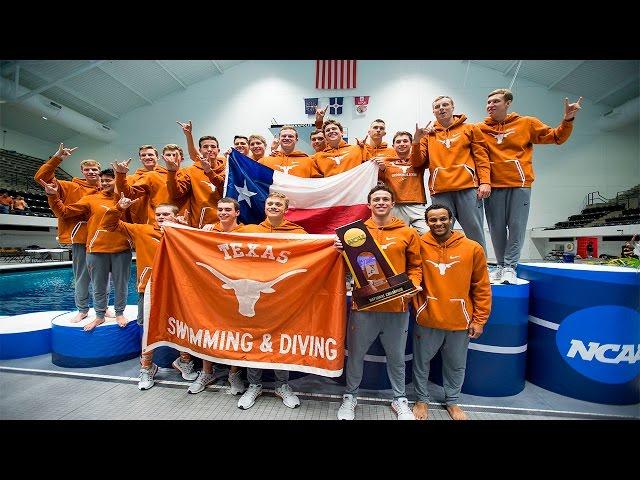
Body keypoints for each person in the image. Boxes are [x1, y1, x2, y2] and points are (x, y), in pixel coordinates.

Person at [335, 185, 422, 420]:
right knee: (355, 355)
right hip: (364, 306)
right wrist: (339, 252)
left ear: (393, 204)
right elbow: (345, 268)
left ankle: (399, 399)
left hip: (397, 306)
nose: (381, 202)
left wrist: (412, 286)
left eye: (385, 199)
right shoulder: (355, 233)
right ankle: (350, 396)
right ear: (369, 204)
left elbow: (416, 266)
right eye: (377, 199)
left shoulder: (408, 233)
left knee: (396, 356)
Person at [479, 88, 583, 284]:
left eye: (495, 101)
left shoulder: (526, 123)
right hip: (492, 187)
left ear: (508, 103)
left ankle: (510, 266)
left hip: (519, 184)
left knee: (516, 227)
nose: (490, 105)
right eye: (488, 102)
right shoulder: (481, 129)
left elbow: (556, 137)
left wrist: (567, 120)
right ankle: (500, 266)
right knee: (496, 229)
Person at [103, 197, 198, 389]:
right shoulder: (142, 230)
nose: (161, 217)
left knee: (182, 325)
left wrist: (186, 230)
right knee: (146, 327)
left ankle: (184, 362)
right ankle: (146, 367)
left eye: (166, 214)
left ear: (175, 216)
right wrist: (117, 209)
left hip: (178, 288)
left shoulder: (185, 233)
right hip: (148, 287)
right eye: (158, 214)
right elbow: (109, 225)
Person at [412, 204, 491, 420]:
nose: (438, 223)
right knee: (421, 363)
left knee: (456, 365)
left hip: (460, 320)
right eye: (433, 220)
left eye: (442, 219)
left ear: (452, 219)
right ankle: (421, 400)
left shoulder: (473, 248)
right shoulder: (418, 244)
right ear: (427, 222)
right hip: (427, 318)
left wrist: (479, 320)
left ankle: (453, 402)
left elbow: (481, 287)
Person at [235, 192, 307, 410]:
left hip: (282, 297)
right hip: (254, 298)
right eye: (270, 204)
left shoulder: (298, 233)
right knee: (253, 338)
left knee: (280, 338)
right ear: (264, 207)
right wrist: (209, 229)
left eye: (278, 204)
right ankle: (254, 385)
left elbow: (314, 254)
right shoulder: (248, 230)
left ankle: (282, 385)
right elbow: (220, 238)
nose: (274, 206)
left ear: (286, 209)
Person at [42, 169, 132, 331]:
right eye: (102, 180)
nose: (104, 183)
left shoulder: (126, 198)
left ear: (116, 181)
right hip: (96, 249)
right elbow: (64, 212)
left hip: (121, 248)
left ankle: (119, 313)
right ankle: (99, 316)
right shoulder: (90, 199)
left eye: (109, 180)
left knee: (121, 285)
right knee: (98, 285)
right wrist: (53, 196)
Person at [411, 95, 491, 253]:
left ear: (453, 107)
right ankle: (443, 266)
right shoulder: (428, 135)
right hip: (440, 190)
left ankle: (481, 269)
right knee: (441, 233)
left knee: (474, 232)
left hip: (467, 187)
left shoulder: (470, 129)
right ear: (433, 112)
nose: (441, 108)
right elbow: (417, 163)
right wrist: (416, 141)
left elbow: (481, 157)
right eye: (437, 106)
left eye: (445, 105)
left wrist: (485, 182)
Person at [34, 143, 104, 323]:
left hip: (102, 240)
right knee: (81, 276)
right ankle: (82, 309)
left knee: (102, 277)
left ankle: (101, 309)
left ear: (99, 171)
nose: (91, 172)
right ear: (82, 171)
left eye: (94, 169)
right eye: (87, 169)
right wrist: (58, 158)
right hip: (81, 239)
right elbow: (41, 177)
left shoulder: (105, 191)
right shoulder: (68, 186)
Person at [189, 197, 248, 396]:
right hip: (211, 289)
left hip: (236, 290)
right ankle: (207, 372)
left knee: (234, 331)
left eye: (227, 209)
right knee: (207, 327)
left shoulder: (248, 232)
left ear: (237, 212)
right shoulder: (208, 231)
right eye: (220, 209)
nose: (223, 213)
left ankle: (234, 374)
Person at [171, 120, 226, 228]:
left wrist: (209, 172)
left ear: (218, 150)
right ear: (200, 150)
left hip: (226, 223)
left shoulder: (228, 168)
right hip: (201, 225)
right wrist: (171, 172)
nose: (209, 149)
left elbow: (223, 186)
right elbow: (176, 193)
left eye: (213, 147)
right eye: (205, 147)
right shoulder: (192, 170)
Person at [378, 131, 429, 235]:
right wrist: (382, 170)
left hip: (417, 205)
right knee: (398, 237)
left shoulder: (417, 160)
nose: (402, 144)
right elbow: (380, 182)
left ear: (411, 144)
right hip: (395, 206)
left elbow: (419, 159)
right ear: (393, 146)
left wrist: (417, 141)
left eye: (405, 141)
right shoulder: (385, 162)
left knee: (427, 234)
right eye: (398, 142)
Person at [113, 144, 170, 224]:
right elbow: (124, 196)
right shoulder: (130, 179)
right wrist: (120, 174)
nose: (147, 157)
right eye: (143, 155)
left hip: (167, 219)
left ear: (157, 157)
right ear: (140, 159)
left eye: (150, 154)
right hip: (141, 224)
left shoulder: (168, 176)